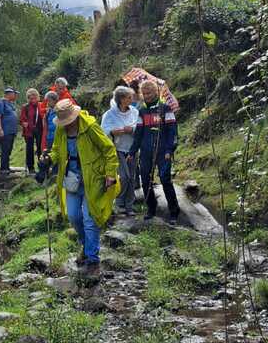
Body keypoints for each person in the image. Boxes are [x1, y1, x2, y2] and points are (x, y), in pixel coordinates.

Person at [47, 98, 119, 277]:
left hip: (92, 179)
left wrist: (110, 173)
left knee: (89, 218)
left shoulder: (90, 127)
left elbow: (109, 149)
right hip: (72, 179)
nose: (66, 124)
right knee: (73, 215)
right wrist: (48, 159)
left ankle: (92, 259)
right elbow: (56, 150)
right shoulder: (61, 129)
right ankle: (86, 246)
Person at [128, 79, 180, 225]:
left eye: (149, 93)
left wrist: (170, 149)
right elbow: (138, 134)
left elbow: (173, 132)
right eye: (144, 93)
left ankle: (174, 212)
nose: (147, 96)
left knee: (165, 179)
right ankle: (151, 209)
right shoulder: (141, 112)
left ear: (156, 92)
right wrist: (132, 152)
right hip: (145, 153)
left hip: (163, 152)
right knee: (145, 180)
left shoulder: (166, 109)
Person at [101, 86, 139, 216]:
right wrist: (112, 132)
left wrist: (132, 129)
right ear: (121, 99)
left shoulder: (135, 111)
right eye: (129, 97)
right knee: (124, 176)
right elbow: (103, 131)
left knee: (131, 177)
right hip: (117, 149)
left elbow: (140, 127)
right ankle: (119, 202)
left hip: (132, 149)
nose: (131, 99)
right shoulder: (109, 114)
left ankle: (129, 205)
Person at [0, 87, 19, 174]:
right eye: (15, 94)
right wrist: (0, 129)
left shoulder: (10, 103)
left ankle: (7, 167)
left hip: (11, 131)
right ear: (9, 94)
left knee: (9, 149)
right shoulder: (0, 102)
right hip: (5, 131)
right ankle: (3, 169)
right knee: (5, 149)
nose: (16, 96)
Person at [20, 88, 43, 174]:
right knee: (29, 148)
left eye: (34, 98)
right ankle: (31, 168)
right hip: (29, 131)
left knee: (40, 148)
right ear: (28, 98)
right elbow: (22, 119)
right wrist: (24, 123)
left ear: (37, 97)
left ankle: (42, 166)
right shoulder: (25, 107)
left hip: (40, 129)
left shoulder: (41, 105)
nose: (33, 100)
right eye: (31, 98)